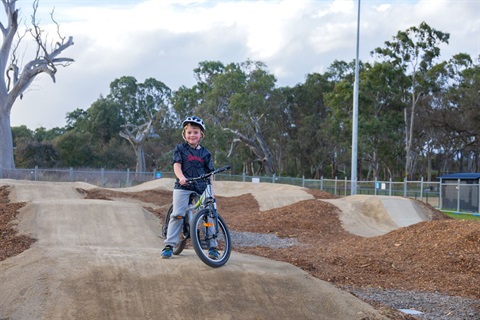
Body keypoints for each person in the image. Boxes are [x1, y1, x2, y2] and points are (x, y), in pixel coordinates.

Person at [161, 116, 218, 259]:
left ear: (201, 135)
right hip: (183, 185)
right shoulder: (180, 149)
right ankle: (169, 245)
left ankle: (212, 247)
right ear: (184, 134)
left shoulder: (206, 153)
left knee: (208, 215)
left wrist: (210, 190)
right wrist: (181, 177)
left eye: (196, 132)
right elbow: (177, 165)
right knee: (178, 214)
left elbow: (209, 173)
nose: (192, 135)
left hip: (201, 186)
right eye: (189, 132)